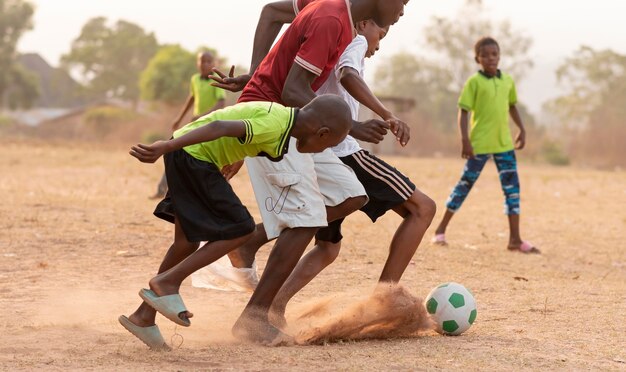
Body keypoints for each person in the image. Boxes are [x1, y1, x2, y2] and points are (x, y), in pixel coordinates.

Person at [211, 0, 409, 341]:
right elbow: (292, 90)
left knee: (352, 195)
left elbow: (271, 12)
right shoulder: (332, 18)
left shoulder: (337, 13)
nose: (403, 11)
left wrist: (259, 71)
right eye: (404, 2)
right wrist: (352, 127)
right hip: (275, 120)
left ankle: (251, 241)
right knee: (309, 217)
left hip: (289, 119)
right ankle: (254, 316)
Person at [119, 94, 353, 350]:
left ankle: (144, 315)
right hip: (194, 157)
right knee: (241, 229)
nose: (325, 150)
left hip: (188, 155)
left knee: (186, 242)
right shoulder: (276, 124)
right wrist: (166, 146)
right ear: (322, 133)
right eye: (330, 144)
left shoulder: (283, 120)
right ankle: (168, 282)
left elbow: (238, 127)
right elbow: (219, 127)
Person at [267, 19, 436, 325]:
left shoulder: (329, 38)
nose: (378, 44)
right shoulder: (355, 39)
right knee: (422, 208)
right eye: (381, 33)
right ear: (366, 22)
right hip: (344, 153)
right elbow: (348, 75)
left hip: (318, 151)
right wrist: (386, 114)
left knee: (327, 247)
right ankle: (384, 301)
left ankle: (273, 305)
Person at [431, 36, 540, 254]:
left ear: (499, 56)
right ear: (477, 59)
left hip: (504, 145)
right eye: (485, 55)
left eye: (495, 54)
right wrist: (465, 139)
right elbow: (463, 111)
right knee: (465, 185)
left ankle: (515, 240)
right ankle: (440, 230)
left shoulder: (507, 80)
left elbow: (512, 106)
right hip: (479, 144)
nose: (491, 58)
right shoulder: (474, 82)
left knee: (512, 191)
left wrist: (522, 129)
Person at [150, 51, 225, 199]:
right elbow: (191, 98)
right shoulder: (195, 79)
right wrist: (179, 118)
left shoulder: (217, 80)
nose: (205, 64)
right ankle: (163, 189)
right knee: (174, 151)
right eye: (202, 61)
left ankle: (215, 195)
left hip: (211, 127)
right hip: (195, 124)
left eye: (209, 61)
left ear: (214, 64)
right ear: (197, 63)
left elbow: (221, 103)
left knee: (208, 160)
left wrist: (203, 116)